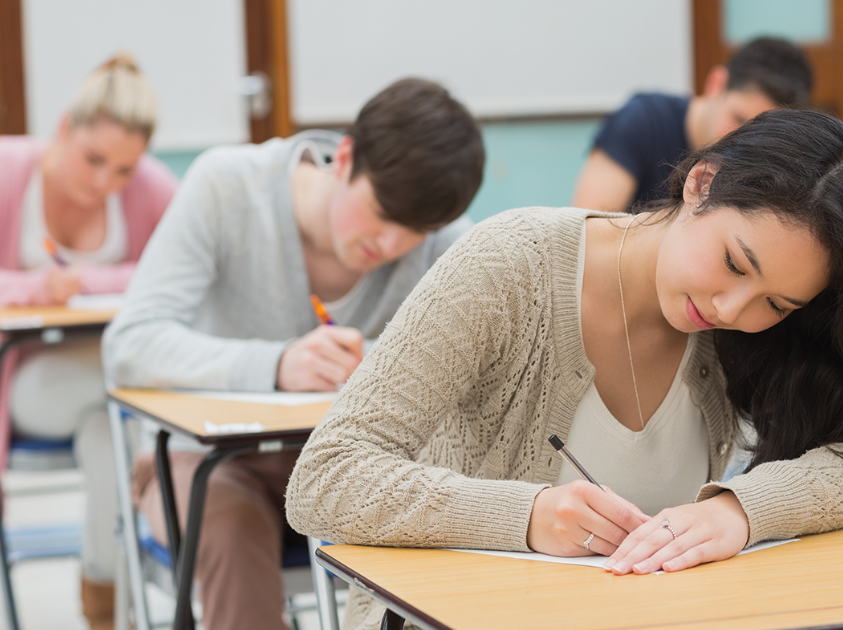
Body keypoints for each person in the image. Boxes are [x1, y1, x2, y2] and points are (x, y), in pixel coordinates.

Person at [286, 108, 843, 630]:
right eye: (734, 263)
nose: (733, 309)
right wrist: (529, 517)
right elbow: (325, 477)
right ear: (701, 184)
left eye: (776, 303)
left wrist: (738, 510)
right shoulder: (512, 267)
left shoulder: (749, 331)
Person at [102, 77, 484, 630]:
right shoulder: (228, 187)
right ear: (344, 157)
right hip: (207, 462)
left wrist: (376, 362)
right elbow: (130, 343)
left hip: (348, 465)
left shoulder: (443, 236)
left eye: (415, 231)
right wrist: (276, 365)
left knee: (440, 531)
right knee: (229, 527)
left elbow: (472, 359)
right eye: (381, 213)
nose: (392, 245)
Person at [0, 54, 175, 630]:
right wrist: (33, 287)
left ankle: (108, 612)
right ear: (63, 128)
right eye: (93, 159)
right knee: (133, 393)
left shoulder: (152, 189)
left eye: (124, 170)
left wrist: (91, 281)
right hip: (25, 383)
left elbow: (178, 272)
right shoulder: (9, 170)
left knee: (109, 439)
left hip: (107, 388)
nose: (105, 182)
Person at [571, 37, 813, 213]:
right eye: (738, 119)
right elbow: (585, 231)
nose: (744, 139)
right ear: (716, 84)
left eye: (760, 133)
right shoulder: (642, 121)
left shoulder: (766, 163)